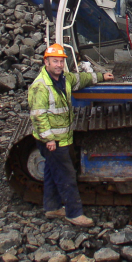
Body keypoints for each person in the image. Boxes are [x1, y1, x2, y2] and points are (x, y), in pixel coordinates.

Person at [28, 43, 114, 226]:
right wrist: (49, 139)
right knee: (67, 175)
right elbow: (38, 115)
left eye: (61, 61)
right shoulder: (41, 86)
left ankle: (52, 208)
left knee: (51, 172)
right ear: (46, 62)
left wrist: (100, 77)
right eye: (55, 61)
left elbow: (80, 79)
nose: (59, 65)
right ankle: (74, 213)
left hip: (61, 138)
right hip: (53, 141)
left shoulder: (63, 79)